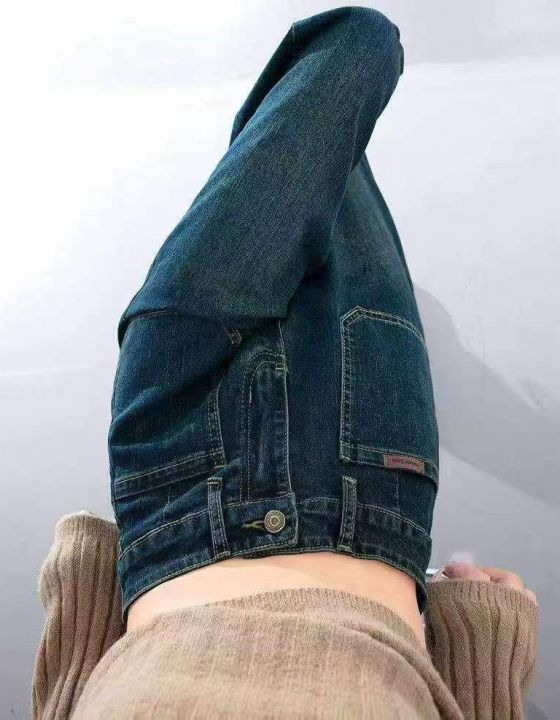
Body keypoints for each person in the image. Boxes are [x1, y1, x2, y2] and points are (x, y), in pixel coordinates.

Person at [33, 6, 538, 718]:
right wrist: (484, 652)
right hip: (358, 487)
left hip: (179, 474)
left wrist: (88, 590)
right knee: (354, 62)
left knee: (347, 55)